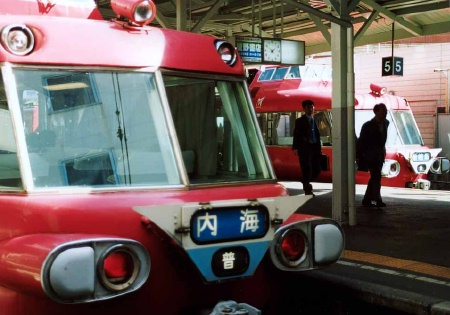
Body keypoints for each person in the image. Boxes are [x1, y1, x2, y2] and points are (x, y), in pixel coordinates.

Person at [356, 103, 389, 207]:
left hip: (380, 155)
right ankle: (377, 199)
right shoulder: (368, 125)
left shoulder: (386, 123)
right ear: (376, 112)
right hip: (371, 155)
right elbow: (361, 141)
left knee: (374, 177)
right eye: (383, 111)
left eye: (385, 110)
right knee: (377, 176)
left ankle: (366, 199)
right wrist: (359, 155)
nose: (385, 113)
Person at [292, 99, 322, 196]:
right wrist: (295, 147)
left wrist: (319, 148)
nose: (311, 109)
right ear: (304, 109)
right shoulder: (300, 121)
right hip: (304, 148)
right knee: (306, 169)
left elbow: (317, 135)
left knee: (317, 169)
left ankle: (304, 180)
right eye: (308, 107)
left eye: (312, 107)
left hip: (314, 147)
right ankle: (307, 190)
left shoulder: (316, 120)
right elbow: (296, 135)